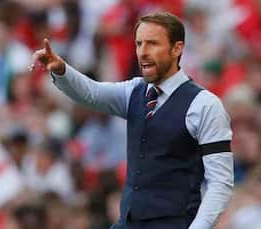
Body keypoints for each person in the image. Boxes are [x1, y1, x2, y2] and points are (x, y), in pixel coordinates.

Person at [31, 12, 234, 229]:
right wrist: (62, 70)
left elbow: (220, 183)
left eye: (152, 44)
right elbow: (92, 93)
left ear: (177, 49)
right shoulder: (136, 91)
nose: (143, 52)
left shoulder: (205, 105)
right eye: (139, 44)